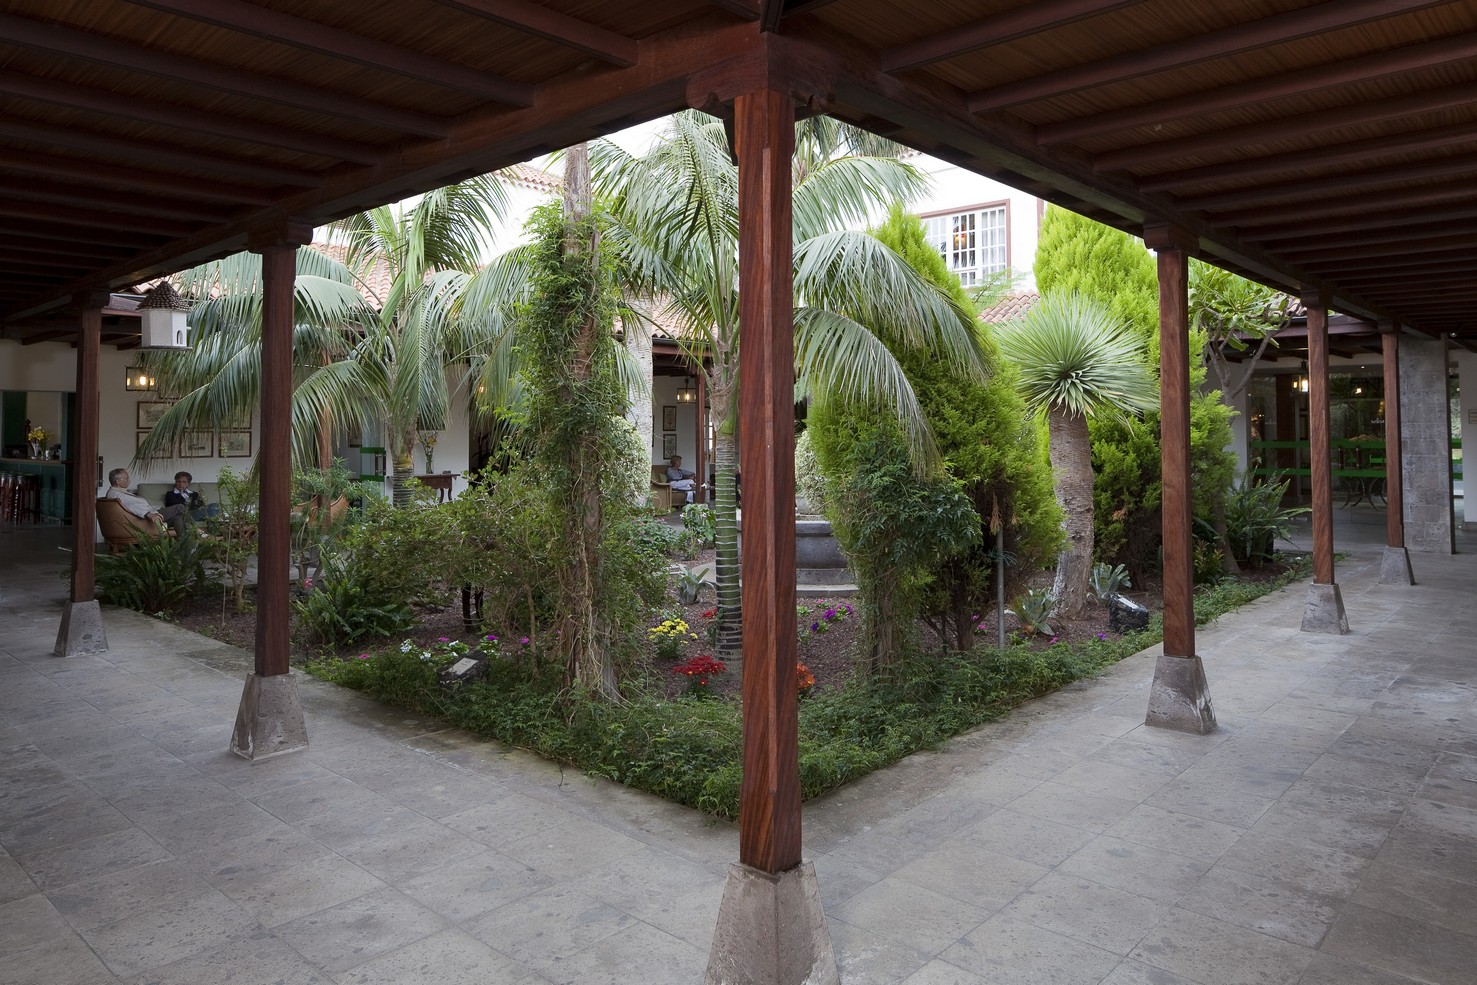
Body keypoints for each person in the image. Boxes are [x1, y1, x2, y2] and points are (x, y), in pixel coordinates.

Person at [104, 467, 187, 535]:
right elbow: (129, 505)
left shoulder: (119, 492)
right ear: (118, 481)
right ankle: (197, 530)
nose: (129, 480)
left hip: (149, 514)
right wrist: (148, 514)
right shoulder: (114, 494)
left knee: (178, 518)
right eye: (126, 478)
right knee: (180, 507)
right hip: (144, 519)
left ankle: (185, 548)